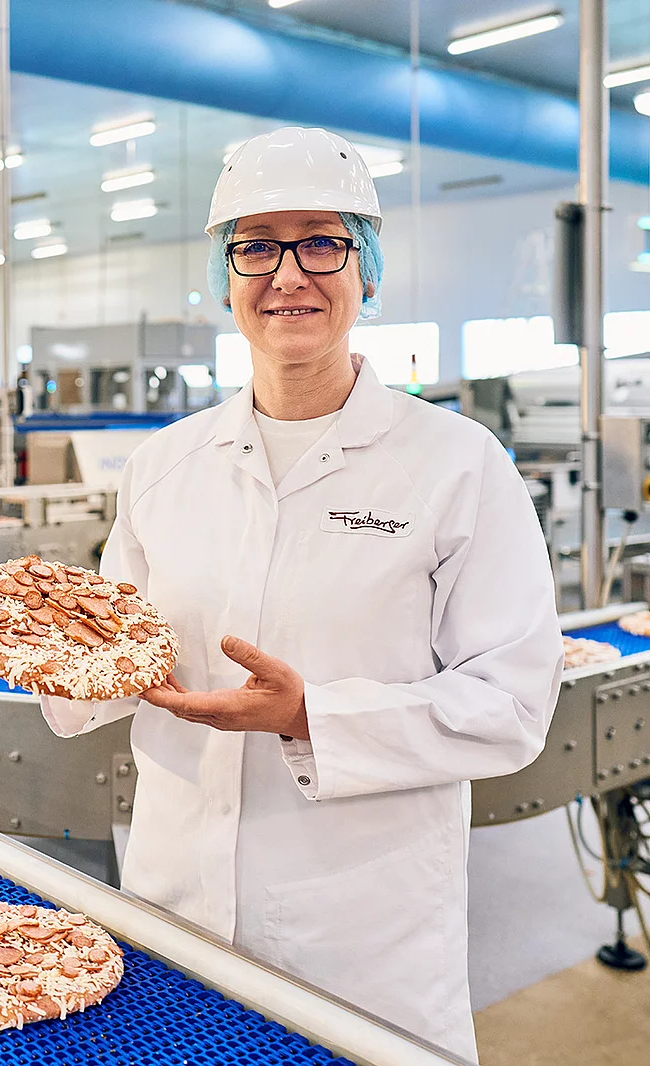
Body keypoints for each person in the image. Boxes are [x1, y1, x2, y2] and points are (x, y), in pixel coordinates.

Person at [40, 127, 563, 1061]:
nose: (289, 275)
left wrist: (311, 717)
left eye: (322, 242)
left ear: (368, 270)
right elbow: (110, 663)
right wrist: (45, 649)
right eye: (256, 246)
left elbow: (514, 705)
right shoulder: (164, 465)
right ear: (225, 276)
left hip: (363, 937)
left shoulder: (457, 465)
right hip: (172, 907)